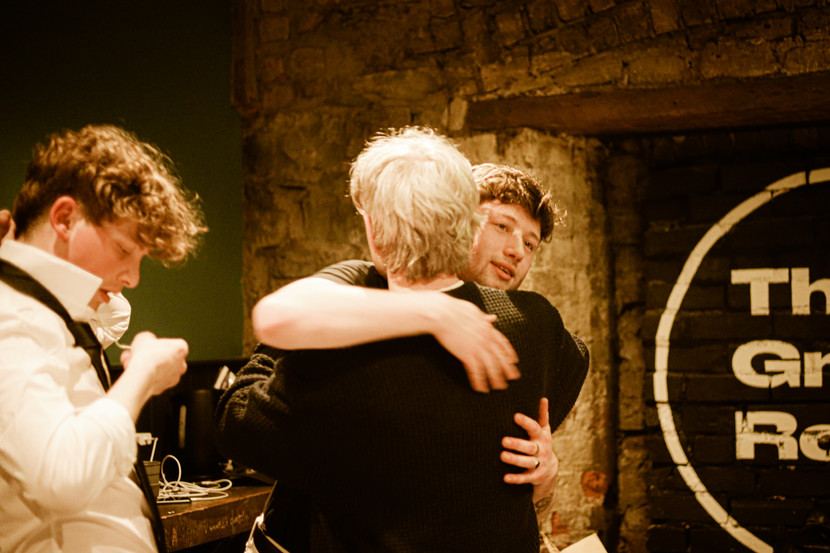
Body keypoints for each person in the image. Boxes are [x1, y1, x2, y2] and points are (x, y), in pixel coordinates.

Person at [216, 127, 589, 552]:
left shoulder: (534, 326)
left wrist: (547, 468)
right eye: (501, 225)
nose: (516, 250)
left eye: (530, 243)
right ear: (465, 222)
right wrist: (433, 313)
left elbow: (237, 420)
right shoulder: (356, 292)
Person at [0, 125, 207, 553]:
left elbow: (108, 314)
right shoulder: (11, 312)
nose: (133, 277)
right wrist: (143, 376)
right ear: (64, 218)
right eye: (124, 250)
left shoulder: (49, 310)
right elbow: (62, 478)